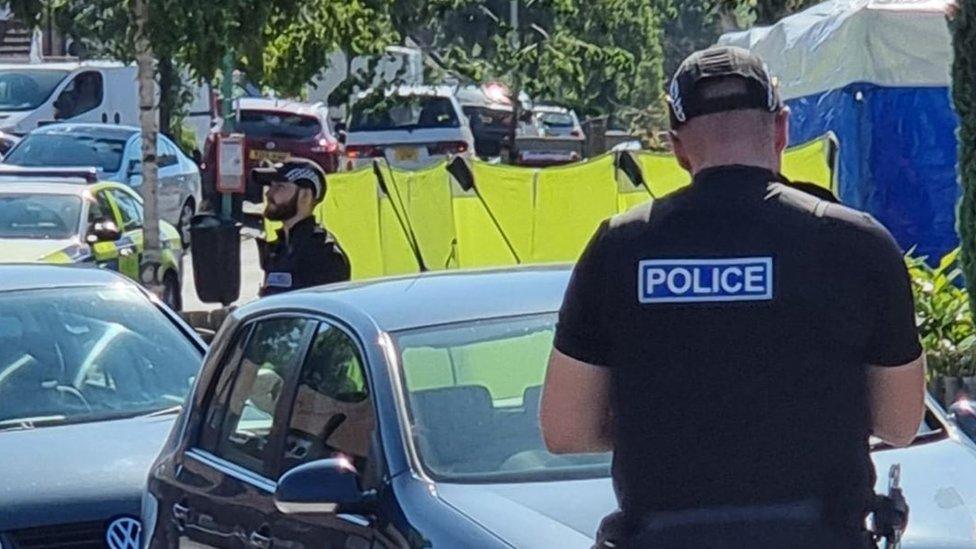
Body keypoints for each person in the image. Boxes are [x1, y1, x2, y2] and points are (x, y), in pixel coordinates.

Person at [540, 46, 925, 549]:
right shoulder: (856, 244)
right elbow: (899, 424)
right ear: (782, 130)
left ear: (678, 148)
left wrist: (675, 423)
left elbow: (566, 429)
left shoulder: (620, 248)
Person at [253, 158, 350, 296]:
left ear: (305, 195)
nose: (269, 193)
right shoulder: (279, 248)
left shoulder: (324, 254)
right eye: (270, 186)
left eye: (280, 186)